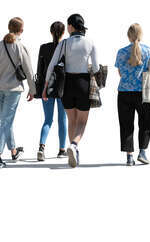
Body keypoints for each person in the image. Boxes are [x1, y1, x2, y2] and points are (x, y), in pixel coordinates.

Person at [43, 14, 99, 167]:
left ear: (71, 26)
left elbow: (52, 66)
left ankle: (72, 151)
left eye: (68, 25)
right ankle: (74, 146)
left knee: (71, 120)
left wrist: (46, 87)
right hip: (83, 84)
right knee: (82, 121)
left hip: (67, 85)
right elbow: (96, 68)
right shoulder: (90, 43)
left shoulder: (64, 44)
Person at [0, 17, 36, 168]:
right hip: (13, 90)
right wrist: (32, 89)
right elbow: (29, 70)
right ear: (21, 30)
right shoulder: (19, 46)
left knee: (5, 122)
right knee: (5, 122)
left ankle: (14, 152)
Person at [115, 23, 150, 166]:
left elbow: (120, 73)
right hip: (142, 93)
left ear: (129, 35)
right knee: (146, 122)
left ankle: (129, 157)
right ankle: (143, 152)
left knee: (126, 124)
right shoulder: (148, 51)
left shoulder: (121, 52)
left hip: (124, 93)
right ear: (141, 35)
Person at [36, 22, 68, 161]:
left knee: (48, 120)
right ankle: (62, 150)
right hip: (63, 87)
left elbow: (39, 70)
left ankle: (41, 148)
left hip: (46, 87)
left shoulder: (44, 48)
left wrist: (38, 88)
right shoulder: (66, 47)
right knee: (63, 120)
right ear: (64, 32)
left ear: (50, 32)